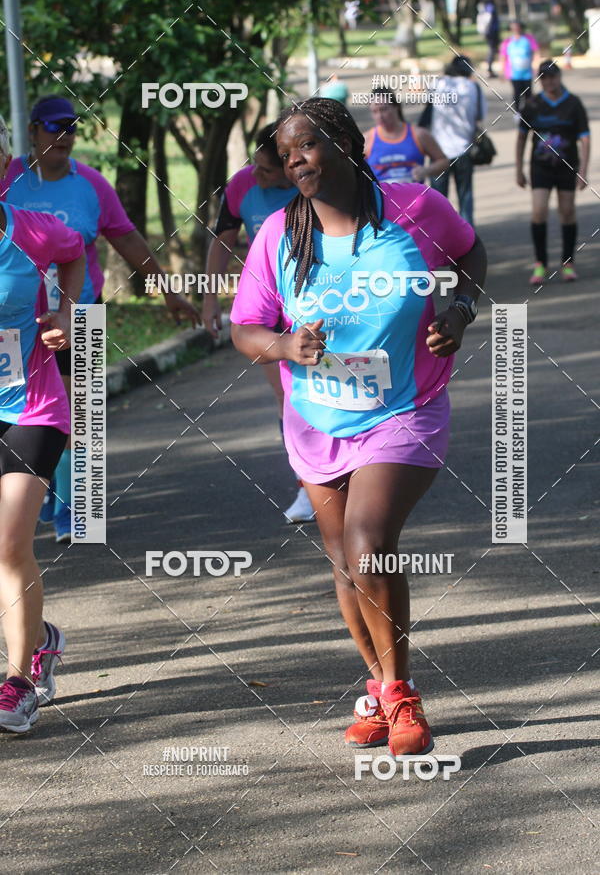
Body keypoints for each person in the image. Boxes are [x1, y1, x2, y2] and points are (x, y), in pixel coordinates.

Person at [230, 98, 486, 757]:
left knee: (369, 542)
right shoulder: (278, 237)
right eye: (286, 153)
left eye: (307, 145)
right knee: (345, 563)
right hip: (317, 419)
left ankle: (400, 697)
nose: (295, 160)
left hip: (406, 409)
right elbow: (245, 328)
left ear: (346, 143)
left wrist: (458, 311)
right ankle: (376, 687)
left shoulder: (416, 209)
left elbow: (470, 253)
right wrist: (285, 348)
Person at [1, 95, 199, 542]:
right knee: (31, 416)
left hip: (78, 316)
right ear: (32, 132)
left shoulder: (91, 185)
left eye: (71, 128)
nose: (64, 137)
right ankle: (40, 492)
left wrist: (167, 293)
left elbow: (127, 241)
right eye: (54, 128)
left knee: (83, 416)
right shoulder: (8, 176)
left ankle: (76, 513)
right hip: (16, 324)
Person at [0, 114, 86, 732]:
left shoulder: (31, 232)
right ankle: (42, 635)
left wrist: (63, 309)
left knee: (8, 545)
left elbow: (77, 253)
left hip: (31, 406)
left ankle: (19, 680)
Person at [202, 124, 314, 523]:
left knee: (336, 389)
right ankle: (307, 486)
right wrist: (210, 297)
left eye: (267, 170)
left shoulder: (310, 183)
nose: (258, 175)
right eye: (256, 166)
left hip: (322, 301)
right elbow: (223, 240)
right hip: (271, 309)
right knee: (289, 398)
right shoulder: (241, 186)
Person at [516, 60, 590, 284]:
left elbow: (585, 139)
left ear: (559, 77)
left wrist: (584, 171)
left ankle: (568, 263)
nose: (548, 81)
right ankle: (540, 264)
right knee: (539, 211)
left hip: (568, 167)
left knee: (567, 212)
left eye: (552, 76)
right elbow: (521, 137)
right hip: (540, 167)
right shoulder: (532, 104)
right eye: (544, 78)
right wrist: (518, 168)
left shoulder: (573, 104)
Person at [430, 55, 487, 226]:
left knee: (438, 203)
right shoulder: (474, 88)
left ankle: (439, 241)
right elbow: (480, 116)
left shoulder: (438, 84)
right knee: (465, 198)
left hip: (438, 151)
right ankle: (468, 241)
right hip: (464, 149)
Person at [364, 95, 448, 185]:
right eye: (374, 112)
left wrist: (426, 171)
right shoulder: (367, 139)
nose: (380, 116)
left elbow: (443, 161)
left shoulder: (418, 134)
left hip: (414, 196)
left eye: (384, 109)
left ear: (396, 107)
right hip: (381, 197)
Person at [500, 21, 539, 115]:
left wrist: (537, 66)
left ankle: (529, 113)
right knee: (517, 93)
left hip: (527, 73)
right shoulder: (507, 42)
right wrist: (502, 72)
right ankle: (517, 113)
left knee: (528, 94)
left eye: (517, 27)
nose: (516, 30)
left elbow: (536, 52)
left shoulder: (528, 39)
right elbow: (503, 57)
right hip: (514, 74)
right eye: (513, 28)